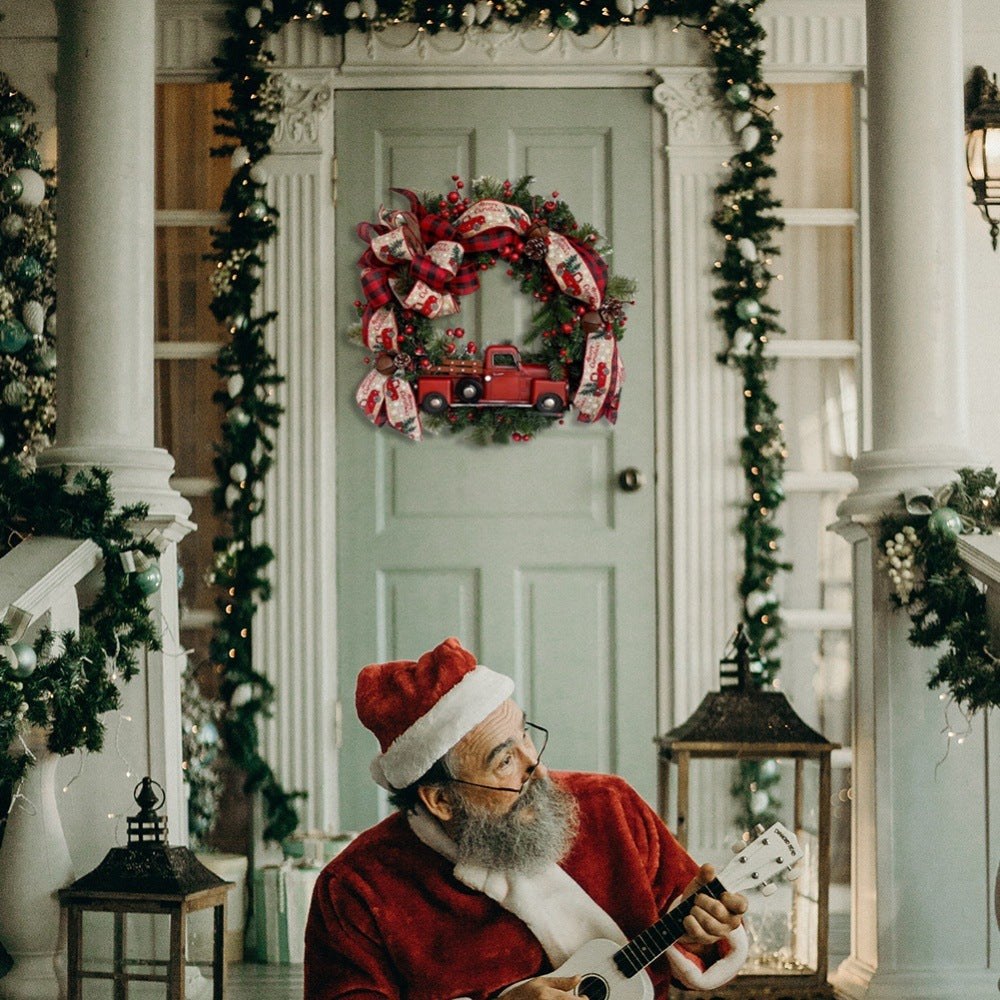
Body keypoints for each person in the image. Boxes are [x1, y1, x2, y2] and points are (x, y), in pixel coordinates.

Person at [304, 638, 748, 999]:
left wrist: (697, 937)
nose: (536, 766)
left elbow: (701, 939)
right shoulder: (355, 890)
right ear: (441, 800)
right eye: (504, 761)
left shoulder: (611, 805)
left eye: (525, 735)